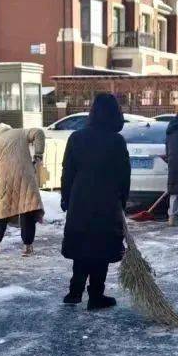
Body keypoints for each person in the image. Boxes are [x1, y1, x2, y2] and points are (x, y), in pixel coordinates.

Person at [60, 93, 131, 309]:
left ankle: (75, 292)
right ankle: (96, 296)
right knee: (100, 249)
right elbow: (124, 175)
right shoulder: (116, 141)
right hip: (106, 203)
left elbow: (67, 172)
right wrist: (122, 201)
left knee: (82, 247)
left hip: (80, 200)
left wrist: (66, 198)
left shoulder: (76, 138)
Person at [0, 123, 46, 257]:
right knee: (27, 209)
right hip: (24, 176)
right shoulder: (20, 132)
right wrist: (38, 154)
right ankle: (27, 247)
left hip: (5, 179)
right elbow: (39, 132)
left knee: (2, 212)